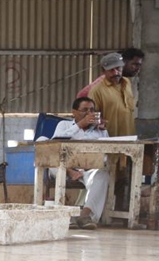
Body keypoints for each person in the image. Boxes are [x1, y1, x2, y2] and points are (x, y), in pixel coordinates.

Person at [50, 97, 110, 230]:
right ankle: (62, 216)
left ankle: (84, 215)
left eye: (92, 110)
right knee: (52, 158)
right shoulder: (64, 125)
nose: (89, 113)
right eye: (84, 110)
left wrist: (85, 170)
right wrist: (80, 125)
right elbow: (56, 143)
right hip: (64, 168)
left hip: (87, 170)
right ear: (74, 112)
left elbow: (106, 154)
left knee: (102, 175)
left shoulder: (101, 130)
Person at [88, 52, 135, 138]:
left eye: (118, 68)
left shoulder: (127, 83)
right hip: (110, 140)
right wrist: (97, 122)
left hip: (130, 138)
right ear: (103, 71)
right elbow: (90, 116)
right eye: (111, 70)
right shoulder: (96, 91)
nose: (116, 73)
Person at [77, 48, 144, 99]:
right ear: (123, 62)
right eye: (135, 64)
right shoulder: (105, 81)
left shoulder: (124, 83)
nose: (138, 68)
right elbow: (82, 96)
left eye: (139, 65)